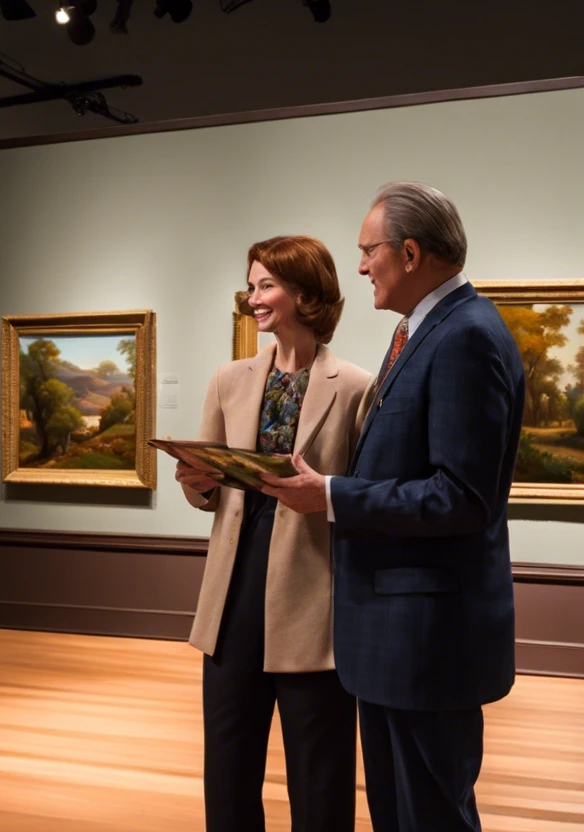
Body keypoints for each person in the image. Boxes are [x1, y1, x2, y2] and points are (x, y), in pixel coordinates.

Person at [261, 183, 524, 832]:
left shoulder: (465, 336)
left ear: (409, 253)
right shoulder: (424, 329)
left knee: (428, 815)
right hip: (401, 641)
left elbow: (462, 497)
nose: (359, 267)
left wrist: (329, 494)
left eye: (367, 250)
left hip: (427, 644)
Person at [175, 235, 372, 832]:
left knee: (320, 771)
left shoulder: (357, 388)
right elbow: (205, 495)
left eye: (266, 285)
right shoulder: (228, 379)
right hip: (231, 598)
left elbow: (360, 500)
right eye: (252, 284)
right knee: (228, 768)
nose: (253, 298)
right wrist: (198, 479)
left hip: (314, 600)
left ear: (305, 293)